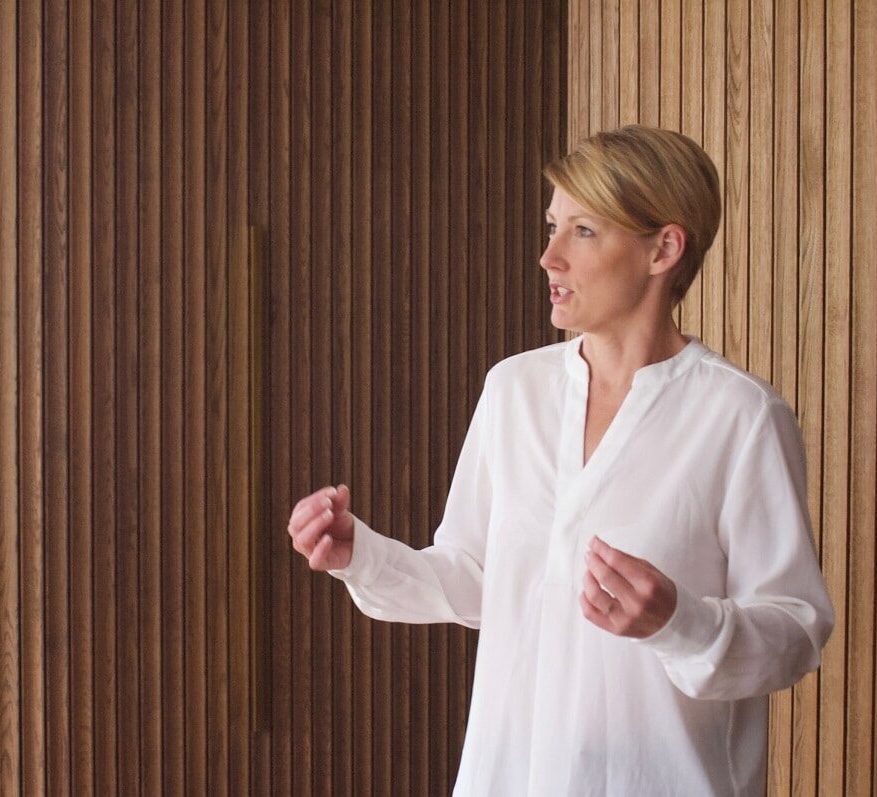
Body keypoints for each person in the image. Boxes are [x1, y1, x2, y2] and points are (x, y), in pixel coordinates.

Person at [285, 125, 834, 795]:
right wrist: (360, 555)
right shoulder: (514, 391)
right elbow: (477, 577)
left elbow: (796, 628)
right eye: (553, 226)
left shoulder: (740, 417)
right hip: (507, 776)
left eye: (583, 231)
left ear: (663, 247)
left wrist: (679, 621)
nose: (549, 257)